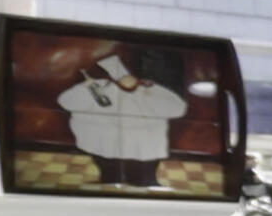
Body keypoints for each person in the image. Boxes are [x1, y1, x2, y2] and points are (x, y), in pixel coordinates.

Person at [55, 53, 188, 189]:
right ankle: (111, 181)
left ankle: (142, 183)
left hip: (143, 144)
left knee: (142, 175)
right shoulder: (98, 88)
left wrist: (147, 93)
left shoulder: (151, 91)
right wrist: (86, 87)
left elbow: (177, 109)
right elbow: (67, 102)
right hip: (105, 142)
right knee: (110, 172)